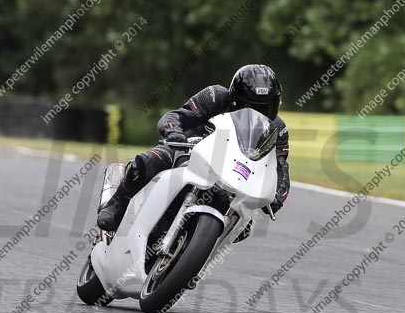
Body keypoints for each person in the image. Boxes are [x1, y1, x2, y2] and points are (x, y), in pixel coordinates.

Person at [97, 64, 290, 232]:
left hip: (235, 173)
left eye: (265, 108)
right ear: (234, 100)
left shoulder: (277, 129)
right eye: (249, 106)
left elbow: (280, 168)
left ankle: (199, 257)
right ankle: (117, 205)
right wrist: (174, 133)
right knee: (150, 160)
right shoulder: (215, 97)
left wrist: (277, 197)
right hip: (188, 150)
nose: (256, 114)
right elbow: (176, 117)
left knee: (244, 224)